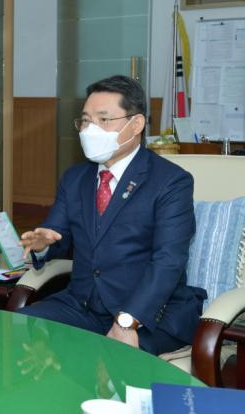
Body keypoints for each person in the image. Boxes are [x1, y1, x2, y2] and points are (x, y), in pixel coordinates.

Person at [18, 75, 206, 355]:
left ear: (136, 124)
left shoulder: (171, 181)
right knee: (19, 328)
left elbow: (168, 261)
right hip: (83, 306)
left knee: (110, 359)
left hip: (151, 313)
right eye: (85, 120)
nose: (90, 130)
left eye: (104, 120)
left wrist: (128, 321)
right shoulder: (74, 178)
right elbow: (55, 236)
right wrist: (43, 245)